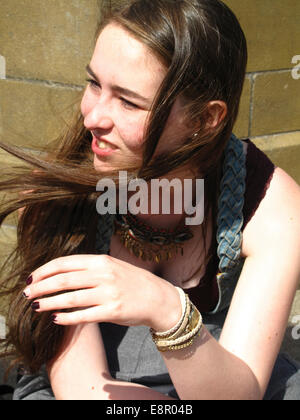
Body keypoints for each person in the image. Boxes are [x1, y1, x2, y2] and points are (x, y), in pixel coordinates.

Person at [0, 0, 299, 400]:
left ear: (204, 120)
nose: (92, 117)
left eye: (128, 101)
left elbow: (236, 394)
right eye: (93, 84)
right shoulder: (67, 189)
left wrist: (167, 310)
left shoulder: (271, 207)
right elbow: (83, 386)